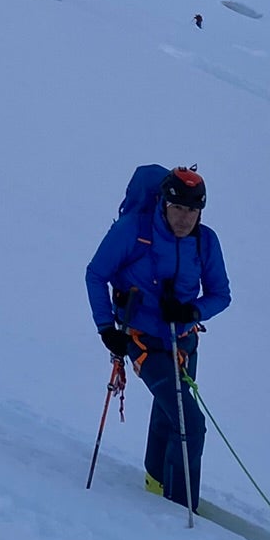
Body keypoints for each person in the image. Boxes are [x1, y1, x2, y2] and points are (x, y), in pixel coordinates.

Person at [85, 168, 230, 509]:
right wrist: (106, 329)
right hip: (141, 338)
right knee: (191, 424)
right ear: (164, 203)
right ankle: (180, 505)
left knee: (170, 411)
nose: (184, 218)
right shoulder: (133, 231)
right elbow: (96, 275)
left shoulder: (205, 241)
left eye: (192, 211)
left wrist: (190, 312)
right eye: (178, 209)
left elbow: (221, 294)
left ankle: (157, 481)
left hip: (184, 341)